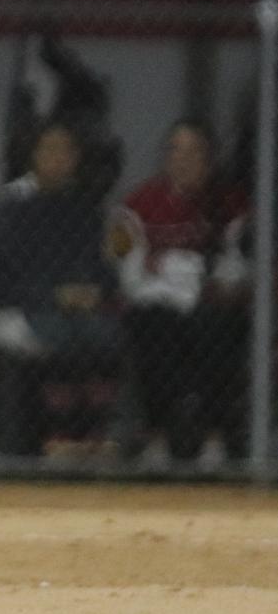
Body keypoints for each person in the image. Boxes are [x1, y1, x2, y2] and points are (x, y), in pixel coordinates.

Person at [0, 121, 118, 460]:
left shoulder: (85, 208)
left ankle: (92, 436)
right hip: (12, 310)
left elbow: (104, 272)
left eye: (66, 151)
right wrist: (53, 297)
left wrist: (91, 291)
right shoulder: (6, 208)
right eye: (49, 149)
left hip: (68, 310)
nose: (58, 159)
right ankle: (56, 437)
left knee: (103, 335)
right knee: (58, 335)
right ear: (32, 155)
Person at [110, 120, 250, 468]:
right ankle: (160, 435)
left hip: (211, 306)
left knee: (218, 327)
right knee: (151, 328)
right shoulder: (138, 202)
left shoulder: (231, 203)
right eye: (175, 149)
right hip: (158, 307)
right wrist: (166, 281)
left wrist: (205, 283)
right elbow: (129, 271)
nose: (183, 159)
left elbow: (238, 269)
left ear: (210, 159)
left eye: (193, 151)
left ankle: (214, 437)